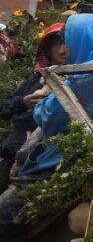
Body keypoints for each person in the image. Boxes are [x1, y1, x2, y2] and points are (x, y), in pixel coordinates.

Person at [0, 14, 93, 242]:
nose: (65, 46)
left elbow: (49, 117)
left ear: (82, 38)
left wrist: (42, 105)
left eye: (68, 39)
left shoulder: (88, 73)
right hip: (79, 163)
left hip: (54, 166)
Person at [0, 22, 65, 190]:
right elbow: (4, 106)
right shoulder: (36, 78)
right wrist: (22, 102)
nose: (62, 50)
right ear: (48, 49)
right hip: (10, 152)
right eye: (57, 44)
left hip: (37, 160)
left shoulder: (75, 79)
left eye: (65, 43)